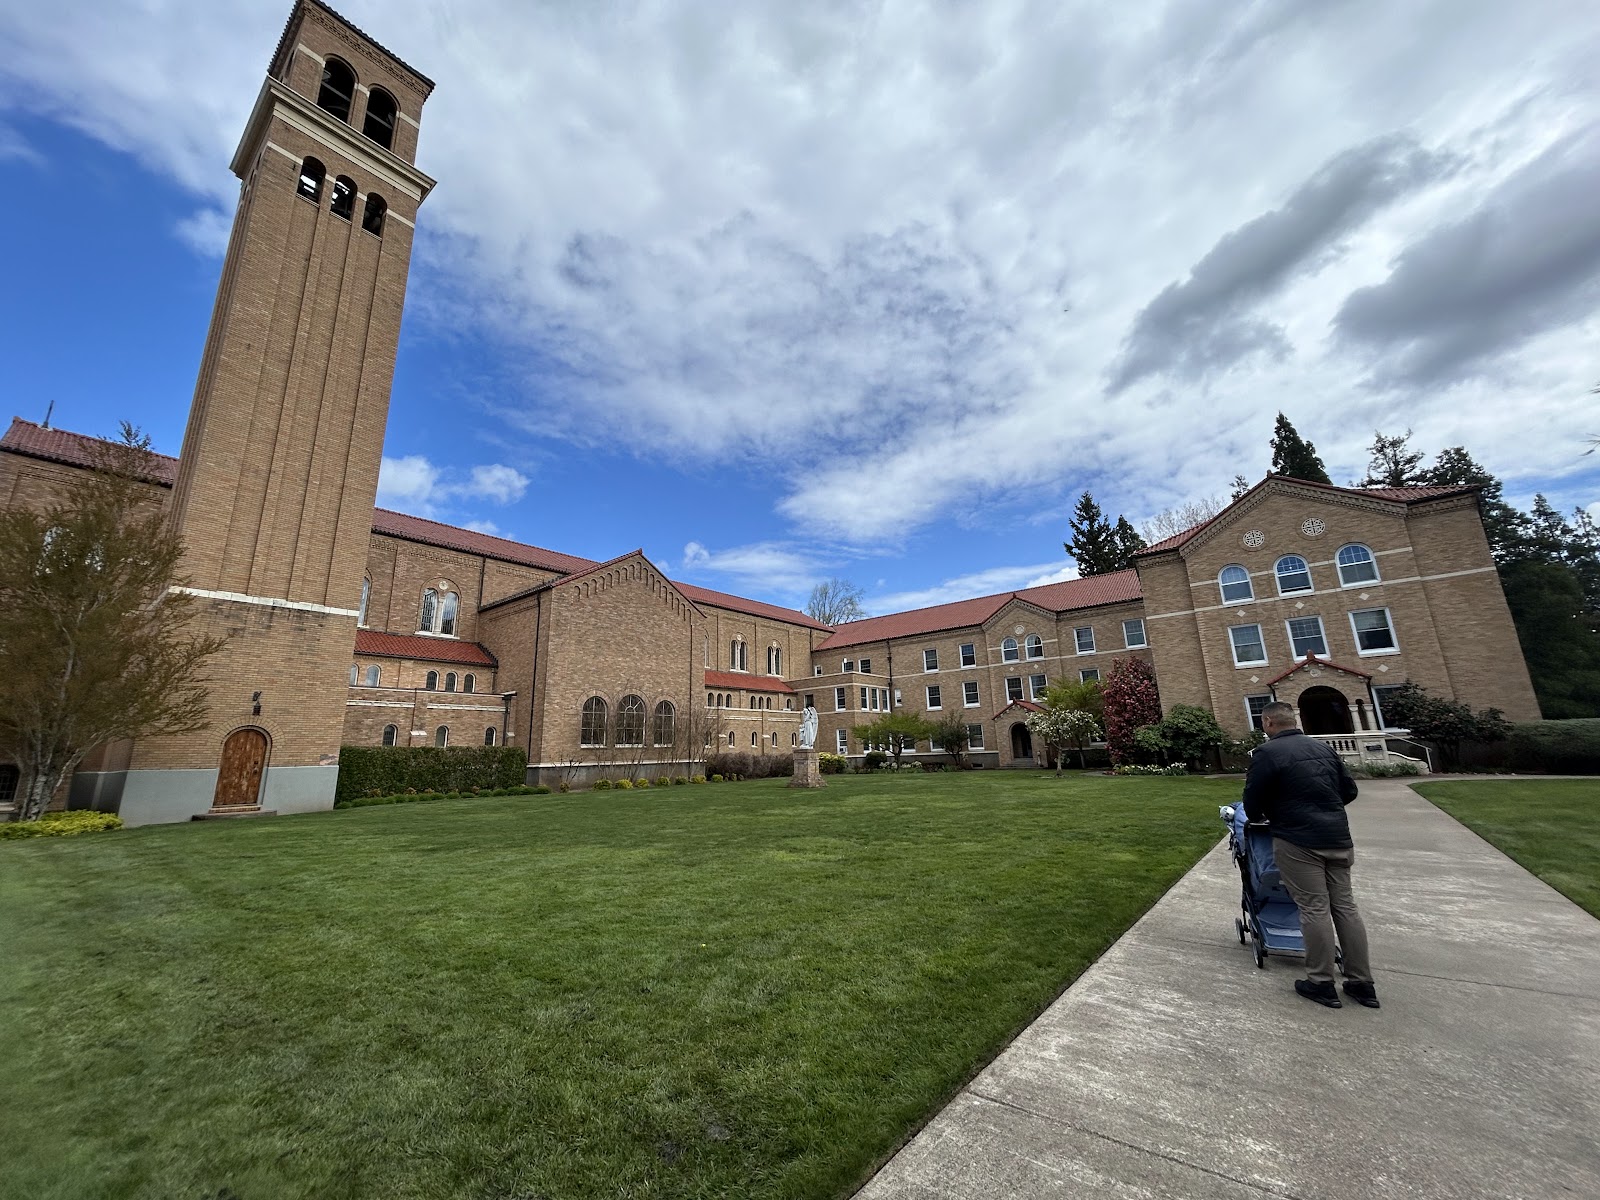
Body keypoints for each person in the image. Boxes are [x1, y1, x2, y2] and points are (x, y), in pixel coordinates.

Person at [1242, 701, 1379, 1009]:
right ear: (1295, 721)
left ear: (1267, 723)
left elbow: (1252, 801)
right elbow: (1349, 791)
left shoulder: (1267, 754)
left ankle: (1321, 982)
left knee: (1314, 907)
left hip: (1298, 840)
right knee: (1345, 906)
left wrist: (1270, 813)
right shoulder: (1324, 750)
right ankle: (1361, 982)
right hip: (1338, 838)